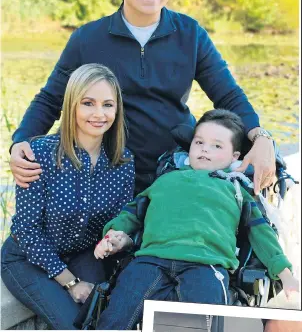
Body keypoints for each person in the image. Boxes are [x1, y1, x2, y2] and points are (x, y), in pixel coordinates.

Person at [10, 0, 275, 197]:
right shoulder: (87, 39)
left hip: (174, 171)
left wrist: (260, 137)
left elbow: (228, 95)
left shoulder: (191, 34)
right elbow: (51, 99)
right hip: (106, 174)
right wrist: (20, 141)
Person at [93, 109, 299, 330]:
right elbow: (132, 213)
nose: (205, 150)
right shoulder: (166, 180)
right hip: (150, 260)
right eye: (199, 142)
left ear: (234, 157)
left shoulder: (237, 190)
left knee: (206, 322)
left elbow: (261, 233)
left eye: (217, 146)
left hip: (206, 265)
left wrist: (284, 273)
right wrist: (113, 234)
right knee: (115, 318)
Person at [1, 64, 135, 330]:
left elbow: (120, 220)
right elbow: (27, 230)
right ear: (72, 105)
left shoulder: (123, 161)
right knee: (73, 325)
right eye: (88, 103)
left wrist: (119, 238)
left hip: (83, 253)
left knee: (109, 317)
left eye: (108, 105)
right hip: (27, 257)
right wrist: (71, 283)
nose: (99, 114)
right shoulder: (39, 154)